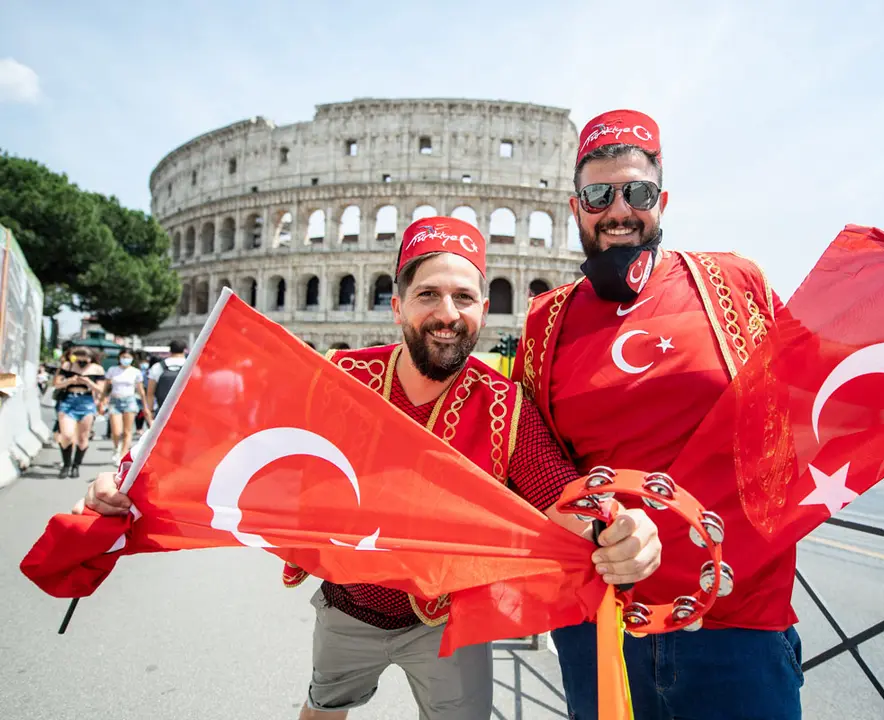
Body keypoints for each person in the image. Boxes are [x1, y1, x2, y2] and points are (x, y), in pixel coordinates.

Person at [513, 109, 884, 720]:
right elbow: (529, 445)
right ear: (576, 209)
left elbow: (832, 376)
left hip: (738, 627)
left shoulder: (731, 282)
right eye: (598, 193)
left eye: (637, 192)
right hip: (601, 627)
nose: (619, 210)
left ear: (662, 199)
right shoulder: (546, 319)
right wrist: (586, 520)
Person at [78, 216, 663, 720]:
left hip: (448, 620)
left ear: (485, 309)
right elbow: (233, 433)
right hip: (349, 606)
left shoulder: (506, 407)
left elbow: (560, 498)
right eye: (428, 295)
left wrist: (617, 529)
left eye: (464, 298)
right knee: (325, 706)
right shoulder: (341, 380)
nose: (447, 314)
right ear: (397, 305)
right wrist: (129, 475)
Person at [53, 346, 106, 479]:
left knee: (83, 438)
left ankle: (76, 465)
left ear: (90, 358)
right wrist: (70, 380)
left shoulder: (97, 369)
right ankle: (66, 464)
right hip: (68, 401)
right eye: (79, 359)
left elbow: (101, 389)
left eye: (85, 359)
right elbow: (56, 384)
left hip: (86, 402)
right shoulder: (67, 365)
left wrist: (88, 382)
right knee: (66, 435)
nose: (81, 362)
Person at [104, 347, 153, 464]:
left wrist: (145, 406)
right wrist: (102, 400)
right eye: (123, 357)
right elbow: (106, 387)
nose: (126, 359)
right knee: (116, 431)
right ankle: (116, 447)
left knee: (127, 430)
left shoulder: (135, 371)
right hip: (115, 400)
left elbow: (140, 390)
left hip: (130, 401)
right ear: (119, 357)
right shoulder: (112, 370)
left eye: (128, 357)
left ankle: (122, 454)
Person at [146, 340, 187, 413]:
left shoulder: (157, 367)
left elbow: (150, 393)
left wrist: (150, 411)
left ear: (170, 350)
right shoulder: (192, 366)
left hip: (163, 412)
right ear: (184, 350)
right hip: (186, 411)